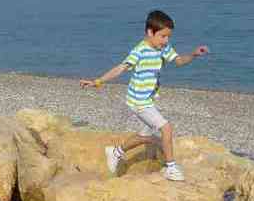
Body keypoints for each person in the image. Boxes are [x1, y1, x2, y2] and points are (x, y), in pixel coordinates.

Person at [80, 10, 209, 181]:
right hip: (138, 101)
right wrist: (98, 81)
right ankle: (171, 167)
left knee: (145, 136)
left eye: (168, 37)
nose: (166, 41)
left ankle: (115, 152)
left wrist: (193, 54)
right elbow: (121, 68)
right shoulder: (139, 51)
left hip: (148, 99)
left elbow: (178, 61)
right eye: (163, 36)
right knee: (166, 128)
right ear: (150, 32)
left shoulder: (163, 48)